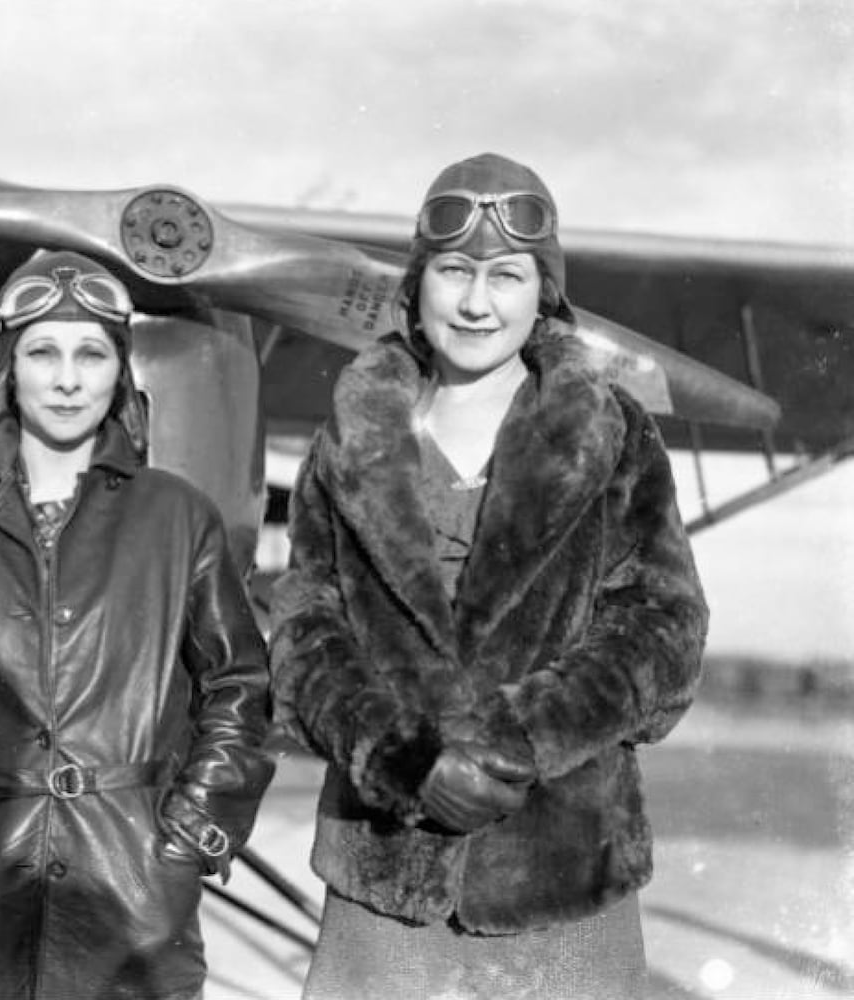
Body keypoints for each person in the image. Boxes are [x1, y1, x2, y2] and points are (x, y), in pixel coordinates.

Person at [269, 153, 708, 1000]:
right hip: (382, 878)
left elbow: (661, 630)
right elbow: (304, 631)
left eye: (506, 275)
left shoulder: (610, 430)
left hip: (562, 874)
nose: (476, 303)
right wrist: (406, 763)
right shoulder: (348, 440)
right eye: (453, 272)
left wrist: (508, 747)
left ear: (541, 291)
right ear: (415, 281)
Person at [0, 249, 275, 1000]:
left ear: (119, 369)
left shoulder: (177, 516)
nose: (67, 379)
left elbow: (238, 687)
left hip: (129, 899)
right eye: (43, 352)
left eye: (91, 353)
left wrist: (191, 834)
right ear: (9, 366)